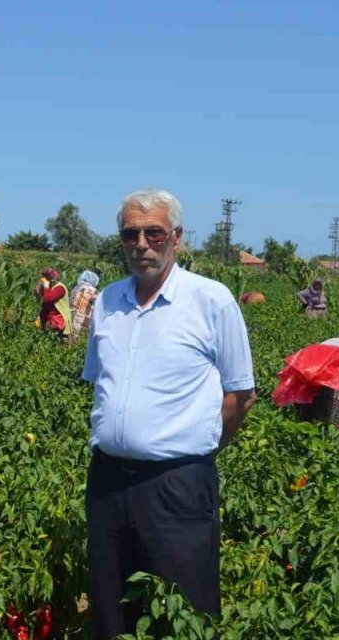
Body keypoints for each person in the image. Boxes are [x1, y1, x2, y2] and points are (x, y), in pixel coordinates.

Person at [81, 188, 256, 638]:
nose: (141, 243)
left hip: (176, 484)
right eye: (130, 234)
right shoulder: (107, 302)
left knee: (185, 609)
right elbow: (100, 383)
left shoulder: (211, 301)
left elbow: (240, 396)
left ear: (176, 238)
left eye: (153, 232)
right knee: (109, 605)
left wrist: (194, 452)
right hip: (107, 482)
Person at [34, 267, 72, 340]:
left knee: (58, 343)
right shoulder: (48, 287)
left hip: (59, 321)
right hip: (48, 320)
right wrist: (38, 288)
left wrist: (46, 286)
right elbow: (40, 299)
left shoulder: (60, 288)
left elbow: (48, 299)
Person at [68, 270, 100, 338]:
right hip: (82, 320)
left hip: (70, 317)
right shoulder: (92, 290)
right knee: (78, 340)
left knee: (69, 338)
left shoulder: (76, 288)